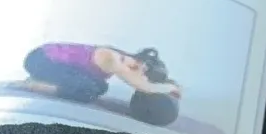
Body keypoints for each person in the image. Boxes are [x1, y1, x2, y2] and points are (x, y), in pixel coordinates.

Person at [22, 41, 182, 106]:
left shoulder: (122, 60)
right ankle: (35, 85)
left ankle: (44, 79)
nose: (143, 77)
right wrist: (171, 88)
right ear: (140, 64)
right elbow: (143, 86)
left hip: (53, 63)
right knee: (87, 91)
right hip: (41, 60)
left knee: (100, 87)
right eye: (145, 74)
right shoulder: (112, 59)